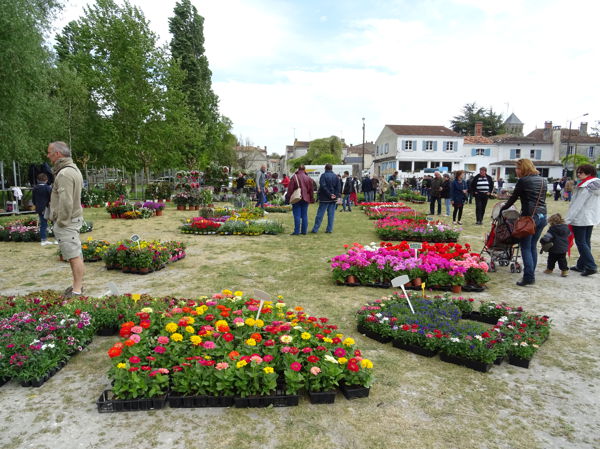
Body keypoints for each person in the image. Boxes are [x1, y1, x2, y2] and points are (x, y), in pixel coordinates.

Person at [499, 159, 547, 287]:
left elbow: (513, 198)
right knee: (532, 246)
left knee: (526, 246)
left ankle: (528, 277)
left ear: (523, 168)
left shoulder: (523, 181)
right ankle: (531, 273)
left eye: (517, 168)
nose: (516, 170)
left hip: (529, 217)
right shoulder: (543, 180)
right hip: (542, 216)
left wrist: (502, 209)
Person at [47, 141, 85, 297]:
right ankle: (77, 286)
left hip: (67, 222)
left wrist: (61, 222)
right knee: (74, 254)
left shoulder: (64, 173)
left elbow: (66, 201)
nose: (47, 156)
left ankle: (77, 290)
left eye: (49, 153)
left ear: (57, 154)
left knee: (73, 255)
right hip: (71, 219)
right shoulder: (72, 169)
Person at [565, 164, 600, 276]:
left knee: (581, 242)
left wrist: (568, 219)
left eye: (581, 172)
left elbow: (577, 205)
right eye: (578, 172)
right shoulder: (594, 184)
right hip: (590, 217)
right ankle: (582, 264)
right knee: (585, 242)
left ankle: (590, 266)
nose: (578, 174)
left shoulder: (586, 186)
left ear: (589, 173)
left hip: (580, 218)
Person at [311, 164, 341, 234]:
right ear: (332, 168)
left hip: (324, 198)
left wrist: (330, 194)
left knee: (320, 214)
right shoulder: (336, 176)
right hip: (333, 198)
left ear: (325, 168)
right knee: (331, 215)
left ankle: (315, 229)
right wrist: (335, 195)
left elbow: (323, 186)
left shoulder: (323, 176)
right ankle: (329, 229)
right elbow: (338, 187)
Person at [285, 165, 314, 235]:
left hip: (297, 198)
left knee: (297, 215)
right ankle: (304, 231)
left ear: (298, 169)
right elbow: (311, 190)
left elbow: (290, 190)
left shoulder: (294, 177)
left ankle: (297, 231)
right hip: (306, 198)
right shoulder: (309, 178)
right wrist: (312, 198)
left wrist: (287, 198)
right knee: (304, 215)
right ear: (304, 170)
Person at [32, 173, 55, 246]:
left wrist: (36, 205)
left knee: (43, 224)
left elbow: (33, 200)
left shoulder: (35, 188)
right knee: (54, 222)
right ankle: (57, 239)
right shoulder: (48, 188)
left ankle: (43, 239)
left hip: (39, 208)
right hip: (47, 207)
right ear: (46, 180)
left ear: (37, 180)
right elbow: (51, 198)